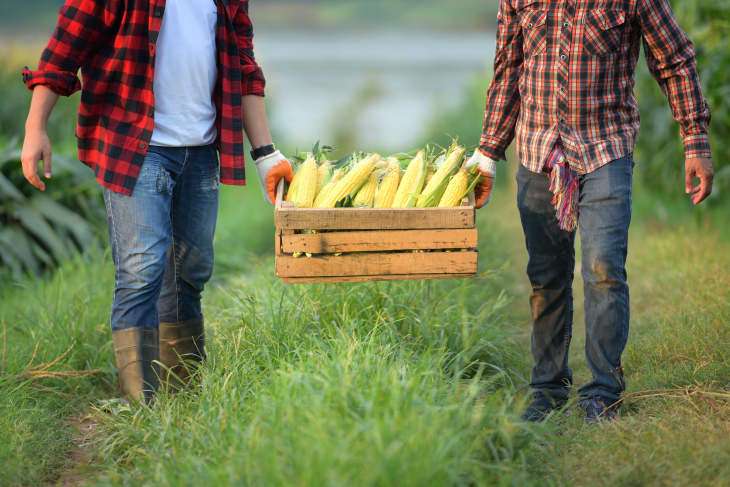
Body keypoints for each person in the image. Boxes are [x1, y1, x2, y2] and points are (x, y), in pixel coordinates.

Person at [21, 0, 293, 403]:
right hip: (135, 145)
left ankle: (182, 397)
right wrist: (35, 128)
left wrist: (266, 154)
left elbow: (245, 72)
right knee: (143, 269)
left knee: (192, 268)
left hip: (201, 150)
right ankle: (140, 406)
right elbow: (64, 47)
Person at [465, 0, 714, 422]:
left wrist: (696, 142)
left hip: (606, 146)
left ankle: (602, 391)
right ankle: (547, 387)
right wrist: (488, 154)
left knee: (603, 269)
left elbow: (675, 60)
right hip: (538, 149)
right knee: (546, 275)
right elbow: (508, 71)